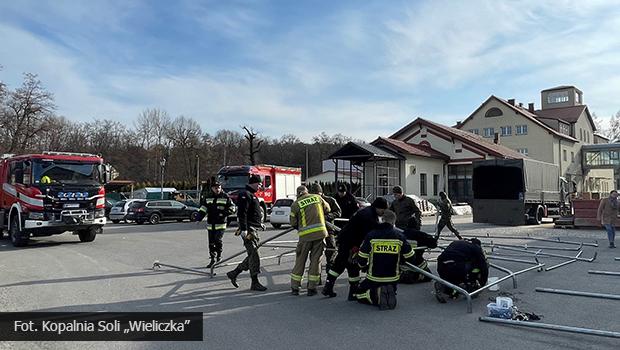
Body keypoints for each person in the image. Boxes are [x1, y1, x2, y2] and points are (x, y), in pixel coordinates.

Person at [322, 197, 388, 299]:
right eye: (383, 210)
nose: (384, 212)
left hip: (346, 240)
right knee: (353, 266)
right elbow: (370, 233)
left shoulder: (367, 212)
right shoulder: (369, 216)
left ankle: (328, 287)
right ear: (378, 207)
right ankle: (352, 293)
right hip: (351, 243)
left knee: (339, 264)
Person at [355, 210, 415, 310]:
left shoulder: (371, 235)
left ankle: (375, 295)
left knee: (359, 294)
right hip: (393, 278)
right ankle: (388, 292)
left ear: (381, 220)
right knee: (389, 286)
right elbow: (411, 257)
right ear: (393, 222)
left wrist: (362, 266)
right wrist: (401, 262)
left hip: (374, 277)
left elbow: (362, 257)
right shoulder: (400, 237)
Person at [226, 174, 267, 291]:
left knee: (252, 255)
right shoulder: (245, 195)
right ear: (253, 183)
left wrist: (260, 224)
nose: (260, 186)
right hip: (249, 230)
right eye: (259, 184)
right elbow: (242, 213)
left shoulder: (252, 195)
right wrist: (244, 229)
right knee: (254, 255)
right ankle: (254, 282)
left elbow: (252, 213)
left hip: (253, 228)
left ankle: (235, 272)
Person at [289, 185, 331, 296]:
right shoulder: (317, 197)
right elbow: (328, 209)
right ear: (307, 191)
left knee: (300, 261)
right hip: (320, 234)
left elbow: (293, 223)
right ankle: (312, 288)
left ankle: (295, 287)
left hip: (305, 237)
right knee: (316, 261)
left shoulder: (295, 204)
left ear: (298, 194)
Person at [434, 238, 488, 303]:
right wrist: (482, 284)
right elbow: (484, 267)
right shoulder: (476, 248)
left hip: (441, 265)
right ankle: (470, 286)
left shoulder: (456, 242)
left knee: (453, 274)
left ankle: (443, 286)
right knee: (476, 267)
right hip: (456, 265)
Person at [197, 181, 235, 268]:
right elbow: (203, 208)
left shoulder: (225, 197)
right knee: (211, 242)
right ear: (212, 188)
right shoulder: (208, 197)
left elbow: (233, 208)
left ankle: (219, 256)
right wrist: (199, 218)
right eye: (215, 188)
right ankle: (213, 259)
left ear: (221, 188)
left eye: (218, 187)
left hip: (221, 223)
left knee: (218, 240)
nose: (217, 189)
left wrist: (224, 213)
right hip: (211, 223)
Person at [308, 183, 341, 273]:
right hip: (315, 231)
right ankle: (315, 274)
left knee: (331, 248)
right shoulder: (310, 201)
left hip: (329, 229)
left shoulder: (330, 200)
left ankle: (329, 266)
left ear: (321, 193)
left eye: (317, 194)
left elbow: (338, 212)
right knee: (316, 253)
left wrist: (327, 217)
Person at [399, 217, 437, 284]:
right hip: (418, 264)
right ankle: (417, 276)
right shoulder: (421, 235)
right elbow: (433, 244)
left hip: (403, 264)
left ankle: (407, 276)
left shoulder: (399, 234)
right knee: (429, 277)